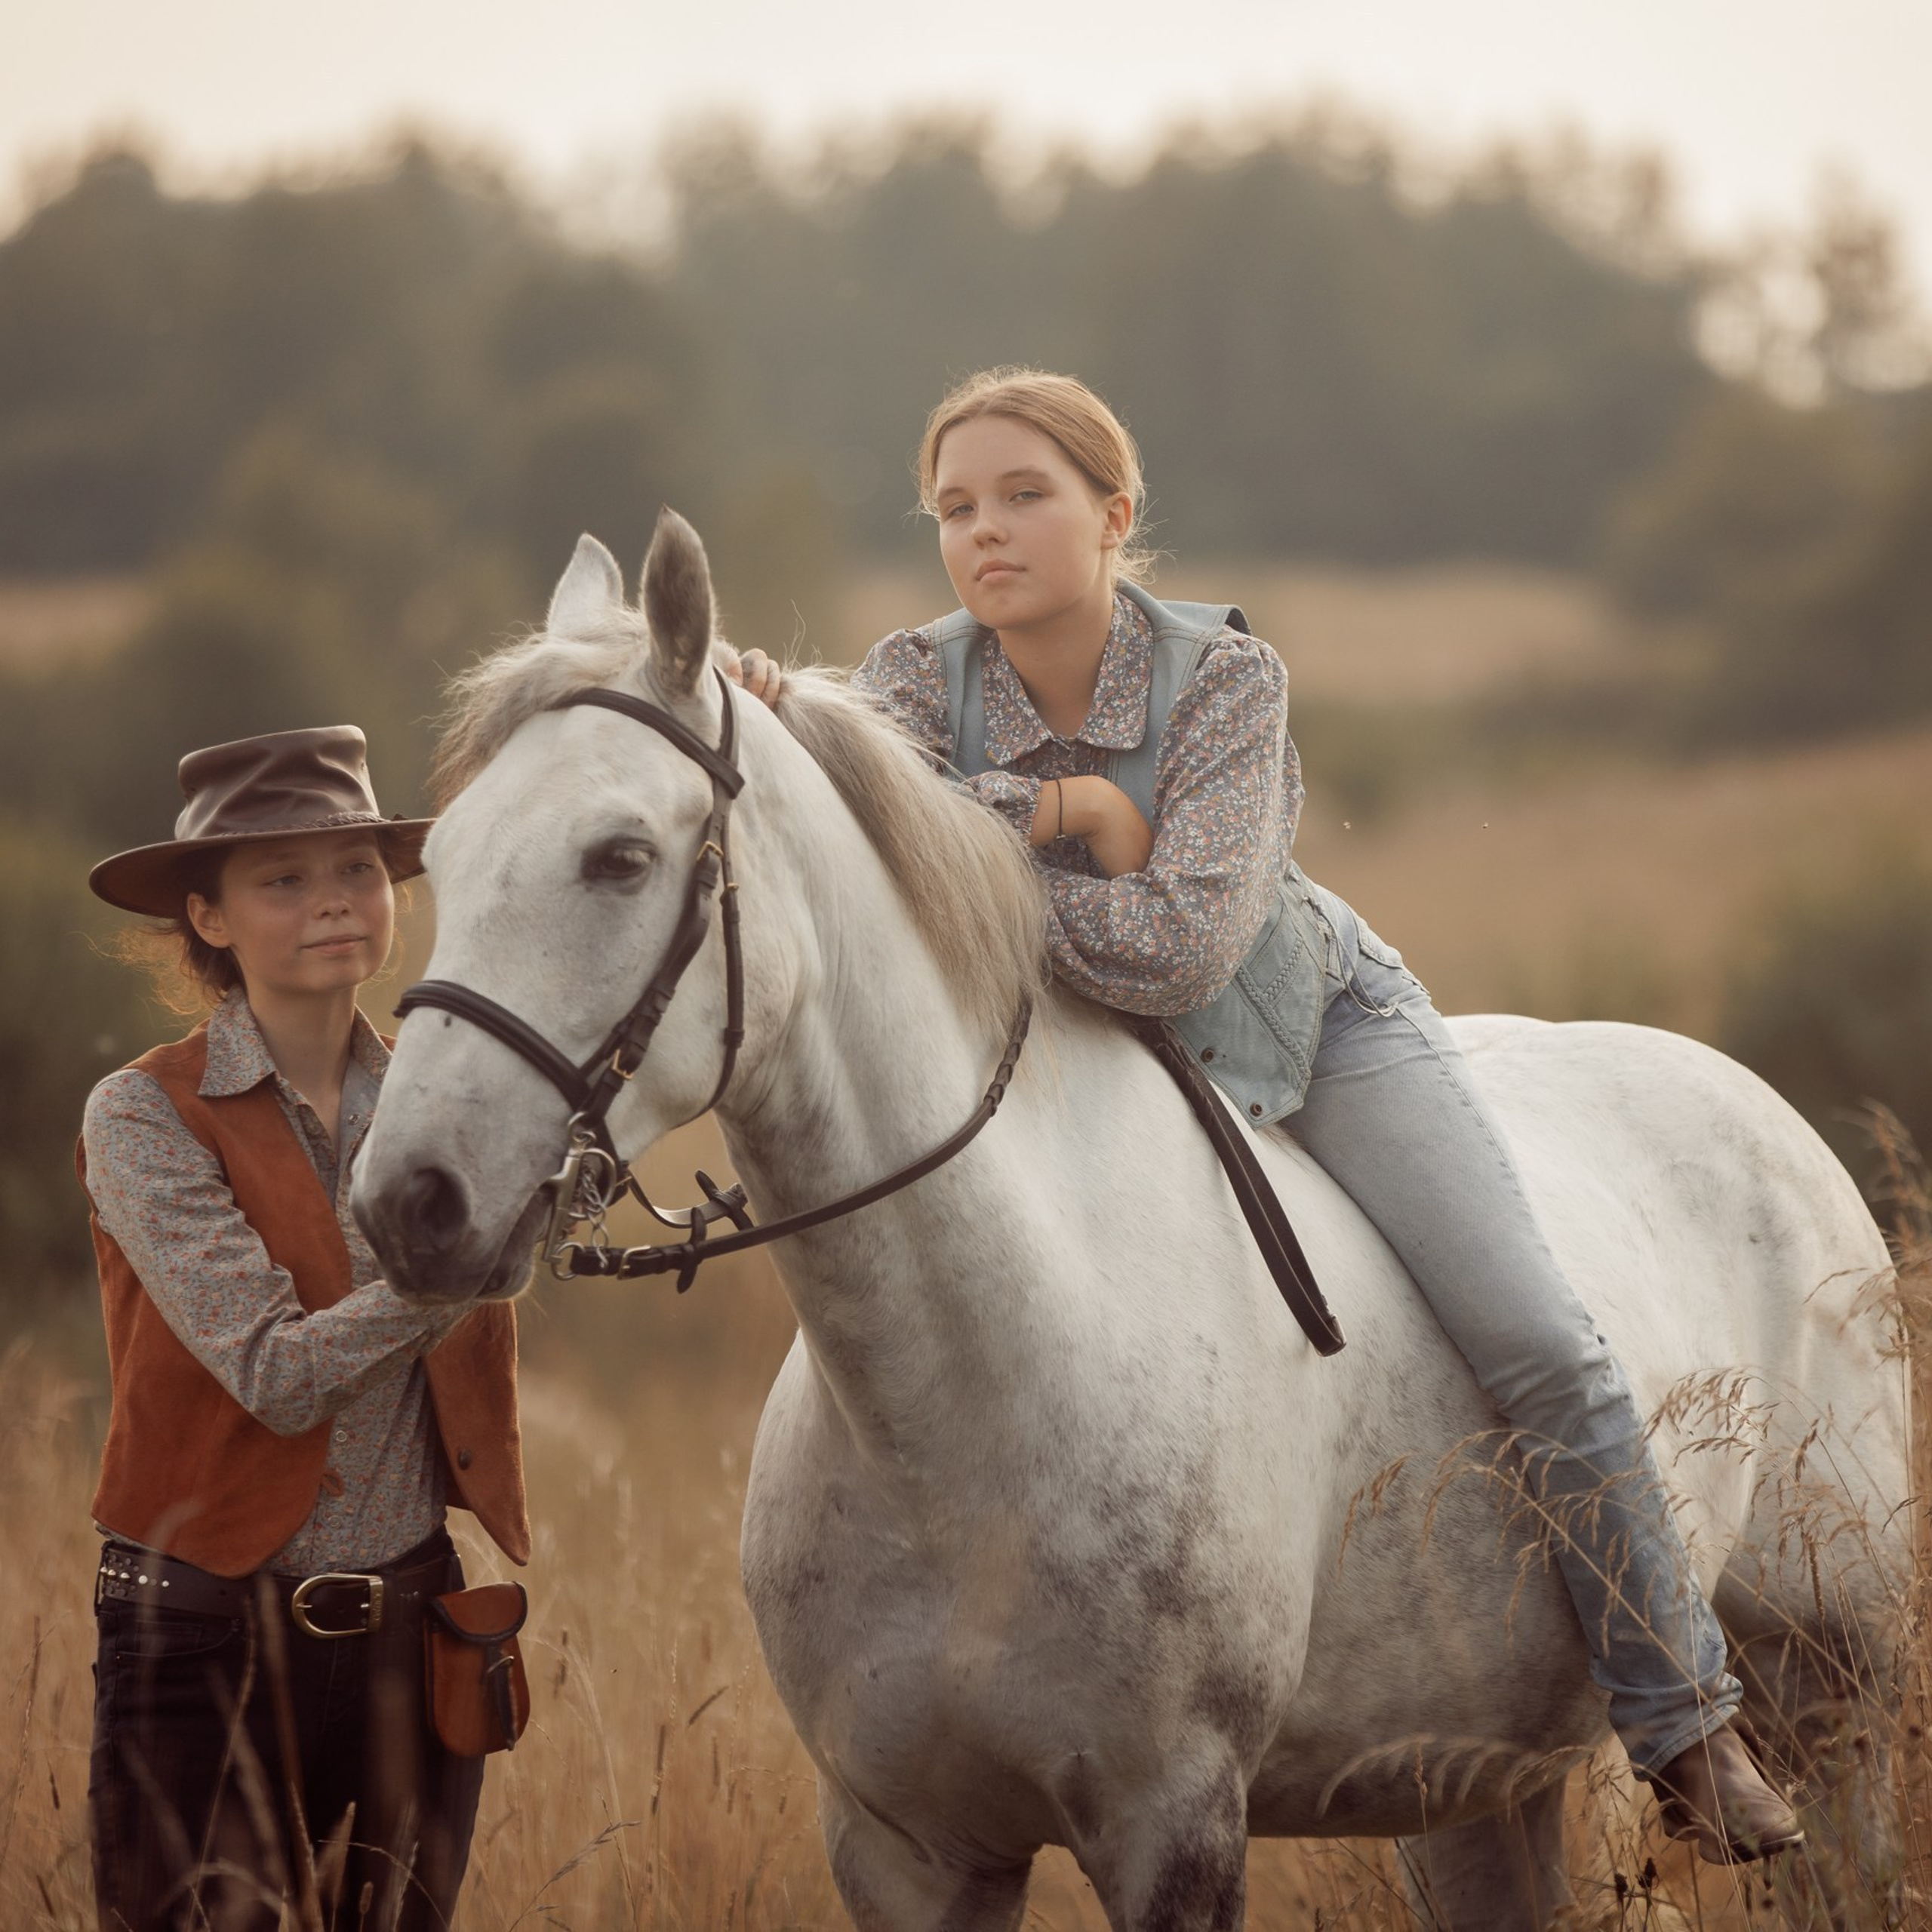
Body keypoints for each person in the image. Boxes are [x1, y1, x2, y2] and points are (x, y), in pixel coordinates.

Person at [727, 367, 1801, 1864]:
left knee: (1535, 1331)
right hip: (1065, 1069)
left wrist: (987, 848)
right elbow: (875, 899)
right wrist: (1084, 822)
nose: (984, 531)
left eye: (1024, 494)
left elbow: (1174, 949)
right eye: (954, 506)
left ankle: (1679, 1713)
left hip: (1297, 1024)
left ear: (1112, 514)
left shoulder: (1224, 679)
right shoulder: (911, 678)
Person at [79, 726, 530, 1932]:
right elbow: (276, 1376)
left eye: (358, 871)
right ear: (209, 918)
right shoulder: (140, 1115)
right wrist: (475, 1265)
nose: (335, 902)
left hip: (416, 1631)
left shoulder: (457, 1100)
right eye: (284, 879)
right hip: (199, 1642)